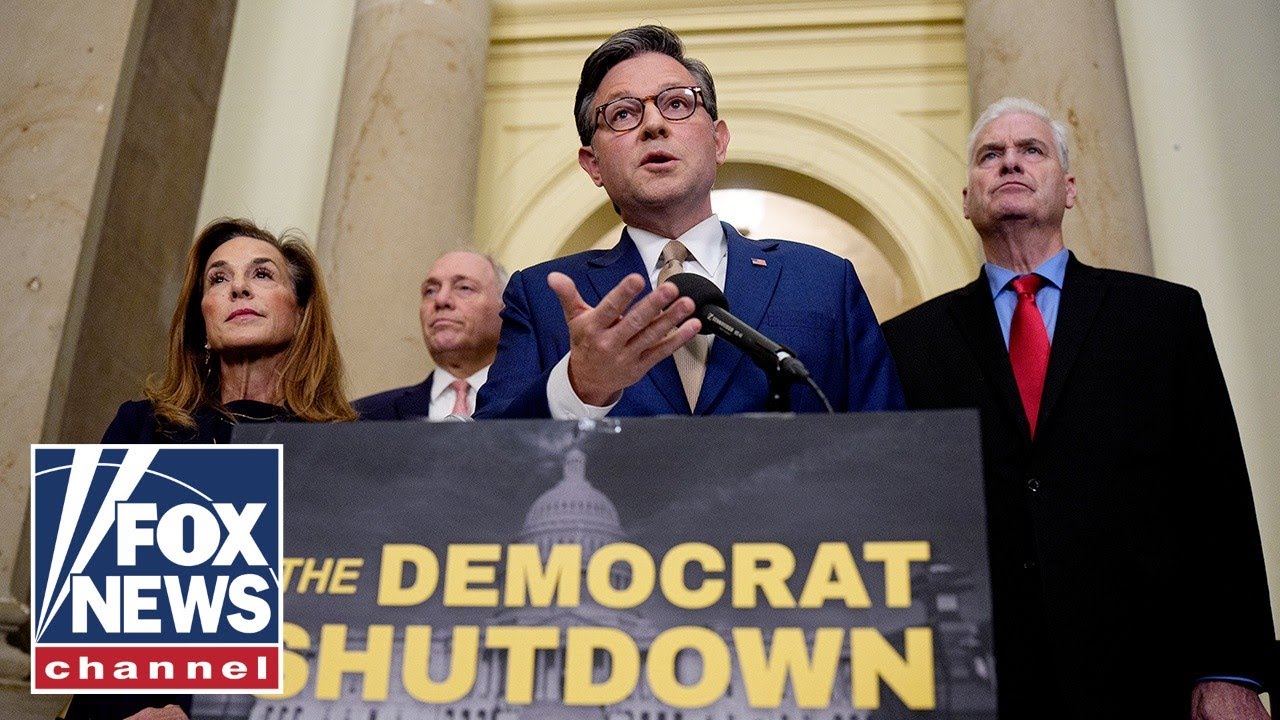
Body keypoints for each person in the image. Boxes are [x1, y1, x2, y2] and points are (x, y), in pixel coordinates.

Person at [880, 97, 1275, 719]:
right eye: (991, 155)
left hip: (1148, 671)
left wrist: (1231, 669)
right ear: (966, 197)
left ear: (1069, 190)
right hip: (980, 681)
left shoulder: (1161, 318)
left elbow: (1217, 492)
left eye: (1031, 150)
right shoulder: (908, 343)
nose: (1010, 162)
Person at [475, 25, 903, 419]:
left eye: (677, 103)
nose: (654, 124)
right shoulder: (539, 297)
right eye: (623, 114)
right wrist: (579, 386)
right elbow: (489, 460)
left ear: (718, 141)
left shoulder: (824, 280)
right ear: (594, 165)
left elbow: (890, 448)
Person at [67, 218, 356, 720]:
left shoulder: (344, 450)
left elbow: (345, 618)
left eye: (262, 274)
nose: (239, 286)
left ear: (302, 312)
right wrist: (148, 706)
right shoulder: (141, 428)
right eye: (218, 279)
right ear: (202, 318)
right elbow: (95, 600)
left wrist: (197, 709)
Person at [354, 251, 506, 420]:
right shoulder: (360, 418)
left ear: (505, 309)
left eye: (464, 288)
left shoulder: (535, 407)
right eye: (430, 291)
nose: (441, 300)